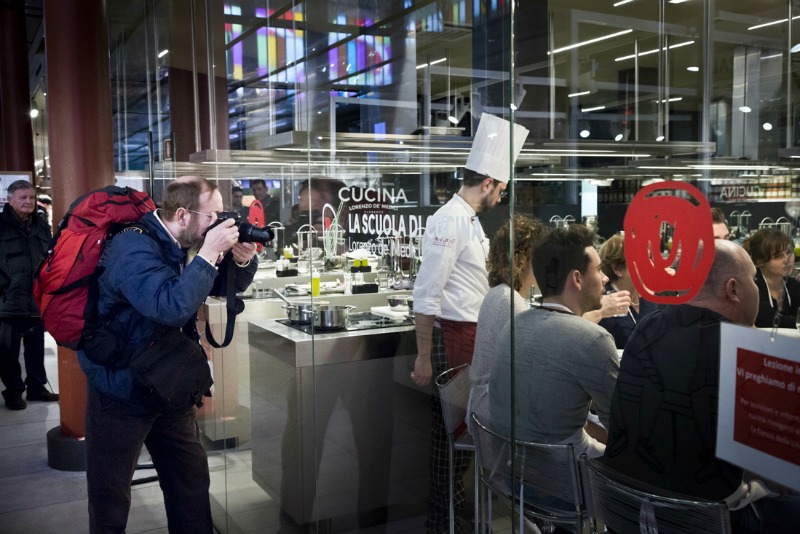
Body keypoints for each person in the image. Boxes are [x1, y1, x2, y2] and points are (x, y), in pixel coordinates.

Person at [77, 177, 258, 533]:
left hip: (167, 385)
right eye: (212, 216)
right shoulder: (133, 247)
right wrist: (208, 253)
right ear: (182, 214)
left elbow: (212, 286)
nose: (219, 223)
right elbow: (171, 305)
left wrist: (241, 262)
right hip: (121, 392)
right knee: (110, 500)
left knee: (190, 487)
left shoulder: (176, 242)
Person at [603, 239, 800, 533]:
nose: (756, 289)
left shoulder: (648, 326)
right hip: (703, 519)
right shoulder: (743, 351)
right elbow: (780, 472)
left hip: (625, 510)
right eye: (753, 280)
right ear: (733, 289)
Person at [412, 113, 529, 534]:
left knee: (464, 440)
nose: (502, 195)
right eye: (501, 188)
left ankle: (454, 513)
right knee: (452, 441)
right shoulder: (449, 220)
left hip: (471, 338)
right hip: (453, 338)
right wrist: (424, 355)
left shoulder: (469, 220)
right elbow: (426, 293)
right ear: (487, 184)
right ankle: (443, 521)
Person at [488, 224, 620, 459]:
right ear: (577, 279)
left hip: (512, 472)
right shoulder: (593, 339)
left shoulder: (513, 324)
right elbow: (623, 428)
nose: (605, 277)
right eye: (599, 270)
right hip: (567, 478)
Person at [467, 214, 543, 434]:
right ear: (522, 259)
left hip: (484, 409)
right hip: (494, 418)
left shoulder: (500, 294)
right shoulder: (510, 301)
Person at [0, 180, 58, 410]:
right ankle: (13, 392)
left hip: (36, 298)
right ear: (10, 199)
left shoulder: (41, 225)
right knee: (7, 352)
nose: (28, 202)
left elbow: (51, 257)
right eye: (23, 197)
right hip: (8, 300)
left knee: (35, 349)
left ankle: (36, 387)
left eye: (32, 198)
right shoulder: (1, 225)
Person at [597, 235, 659, 349]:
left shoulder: (655, 293)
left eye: (650, 258)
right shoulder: (605, 302)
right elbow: (637, 344)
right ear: (617, 269)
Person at [743, 227, 800, 329]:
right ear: (759, 261)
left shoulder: (793, 285)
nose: (787, 260)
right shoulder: (752, 287)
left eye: (789, 253)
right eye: (778, 256)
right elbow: (768, 321)